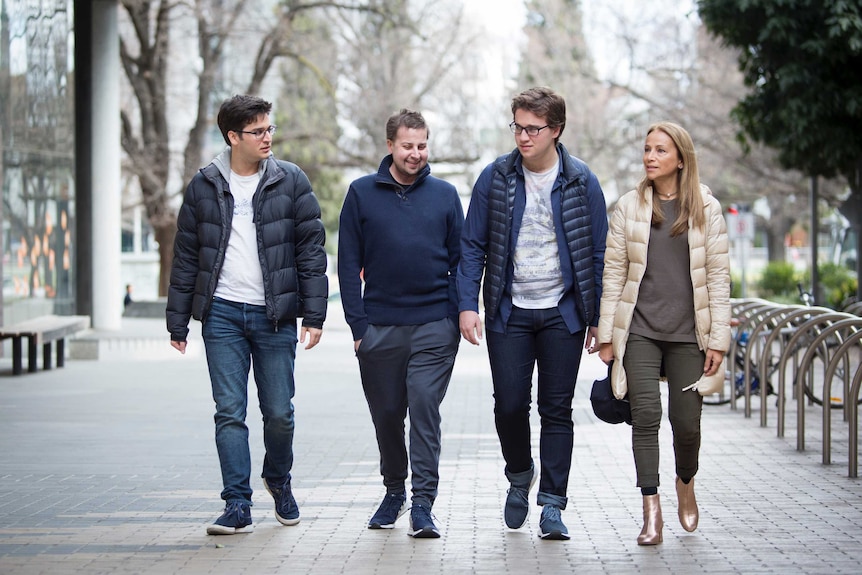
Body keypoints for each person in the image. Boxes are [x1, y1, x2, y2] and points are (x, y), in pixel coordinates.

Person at [166, 94, 328, 536]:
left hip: (274, 316)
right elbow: (185, 257)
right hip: (221, 315)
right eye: (257, 131)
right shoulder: (204, 185)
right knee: (229, 412)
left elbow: (311, 252)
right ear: (232, 137)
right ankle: (237, 502)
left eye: (269, 128)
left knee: (279, 412)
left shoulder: (290, 180)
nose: (267, 138)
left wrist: (314, 314)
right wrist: (177, 320)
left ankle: (278, 478)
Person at [457, 87, 607, 540]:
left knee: (557, 409)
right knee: (508, 405)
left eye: (532, 129)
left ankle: (553, 505)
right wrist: (468, 305)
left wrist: (597, 317)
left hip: (563, 313)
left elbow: (599, 254)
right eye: (518, 127)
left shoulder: (582, 181)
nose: (523, 136)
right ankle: (520, 476)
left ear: (556, 131)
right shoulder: (495, 178)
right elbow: (472, 246)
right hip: (509, 311)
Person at [597, 121, 731, 545]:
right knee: (646, 417)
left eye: (660, 150)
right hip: (640, 330)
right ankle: (650, 510)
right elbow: (614, 273)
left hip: (689, 333)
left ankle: (685, 482)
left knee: (687, 422)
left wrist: (719, 341)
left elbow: (719, 278)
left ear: (680, 158)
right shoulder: (628, 207)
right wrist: (606, 335)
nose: (650, 157)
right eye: (647, 149)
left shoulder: (706, 209)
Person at [338, 109, 463, 538]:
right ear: (390, 145)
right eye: (407, 145)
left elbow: (461, 263)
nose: (416, 154)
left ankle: (423, 504)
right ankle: (395, 489)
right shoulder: (360, 194)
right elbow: (348, 263)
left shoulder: (446, 195)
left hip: (434, 324)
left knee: (424, 407)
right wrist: (358, 328)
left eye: (422, 145)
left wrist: (455, 316)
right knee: (388, 414)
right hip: (380, 328)